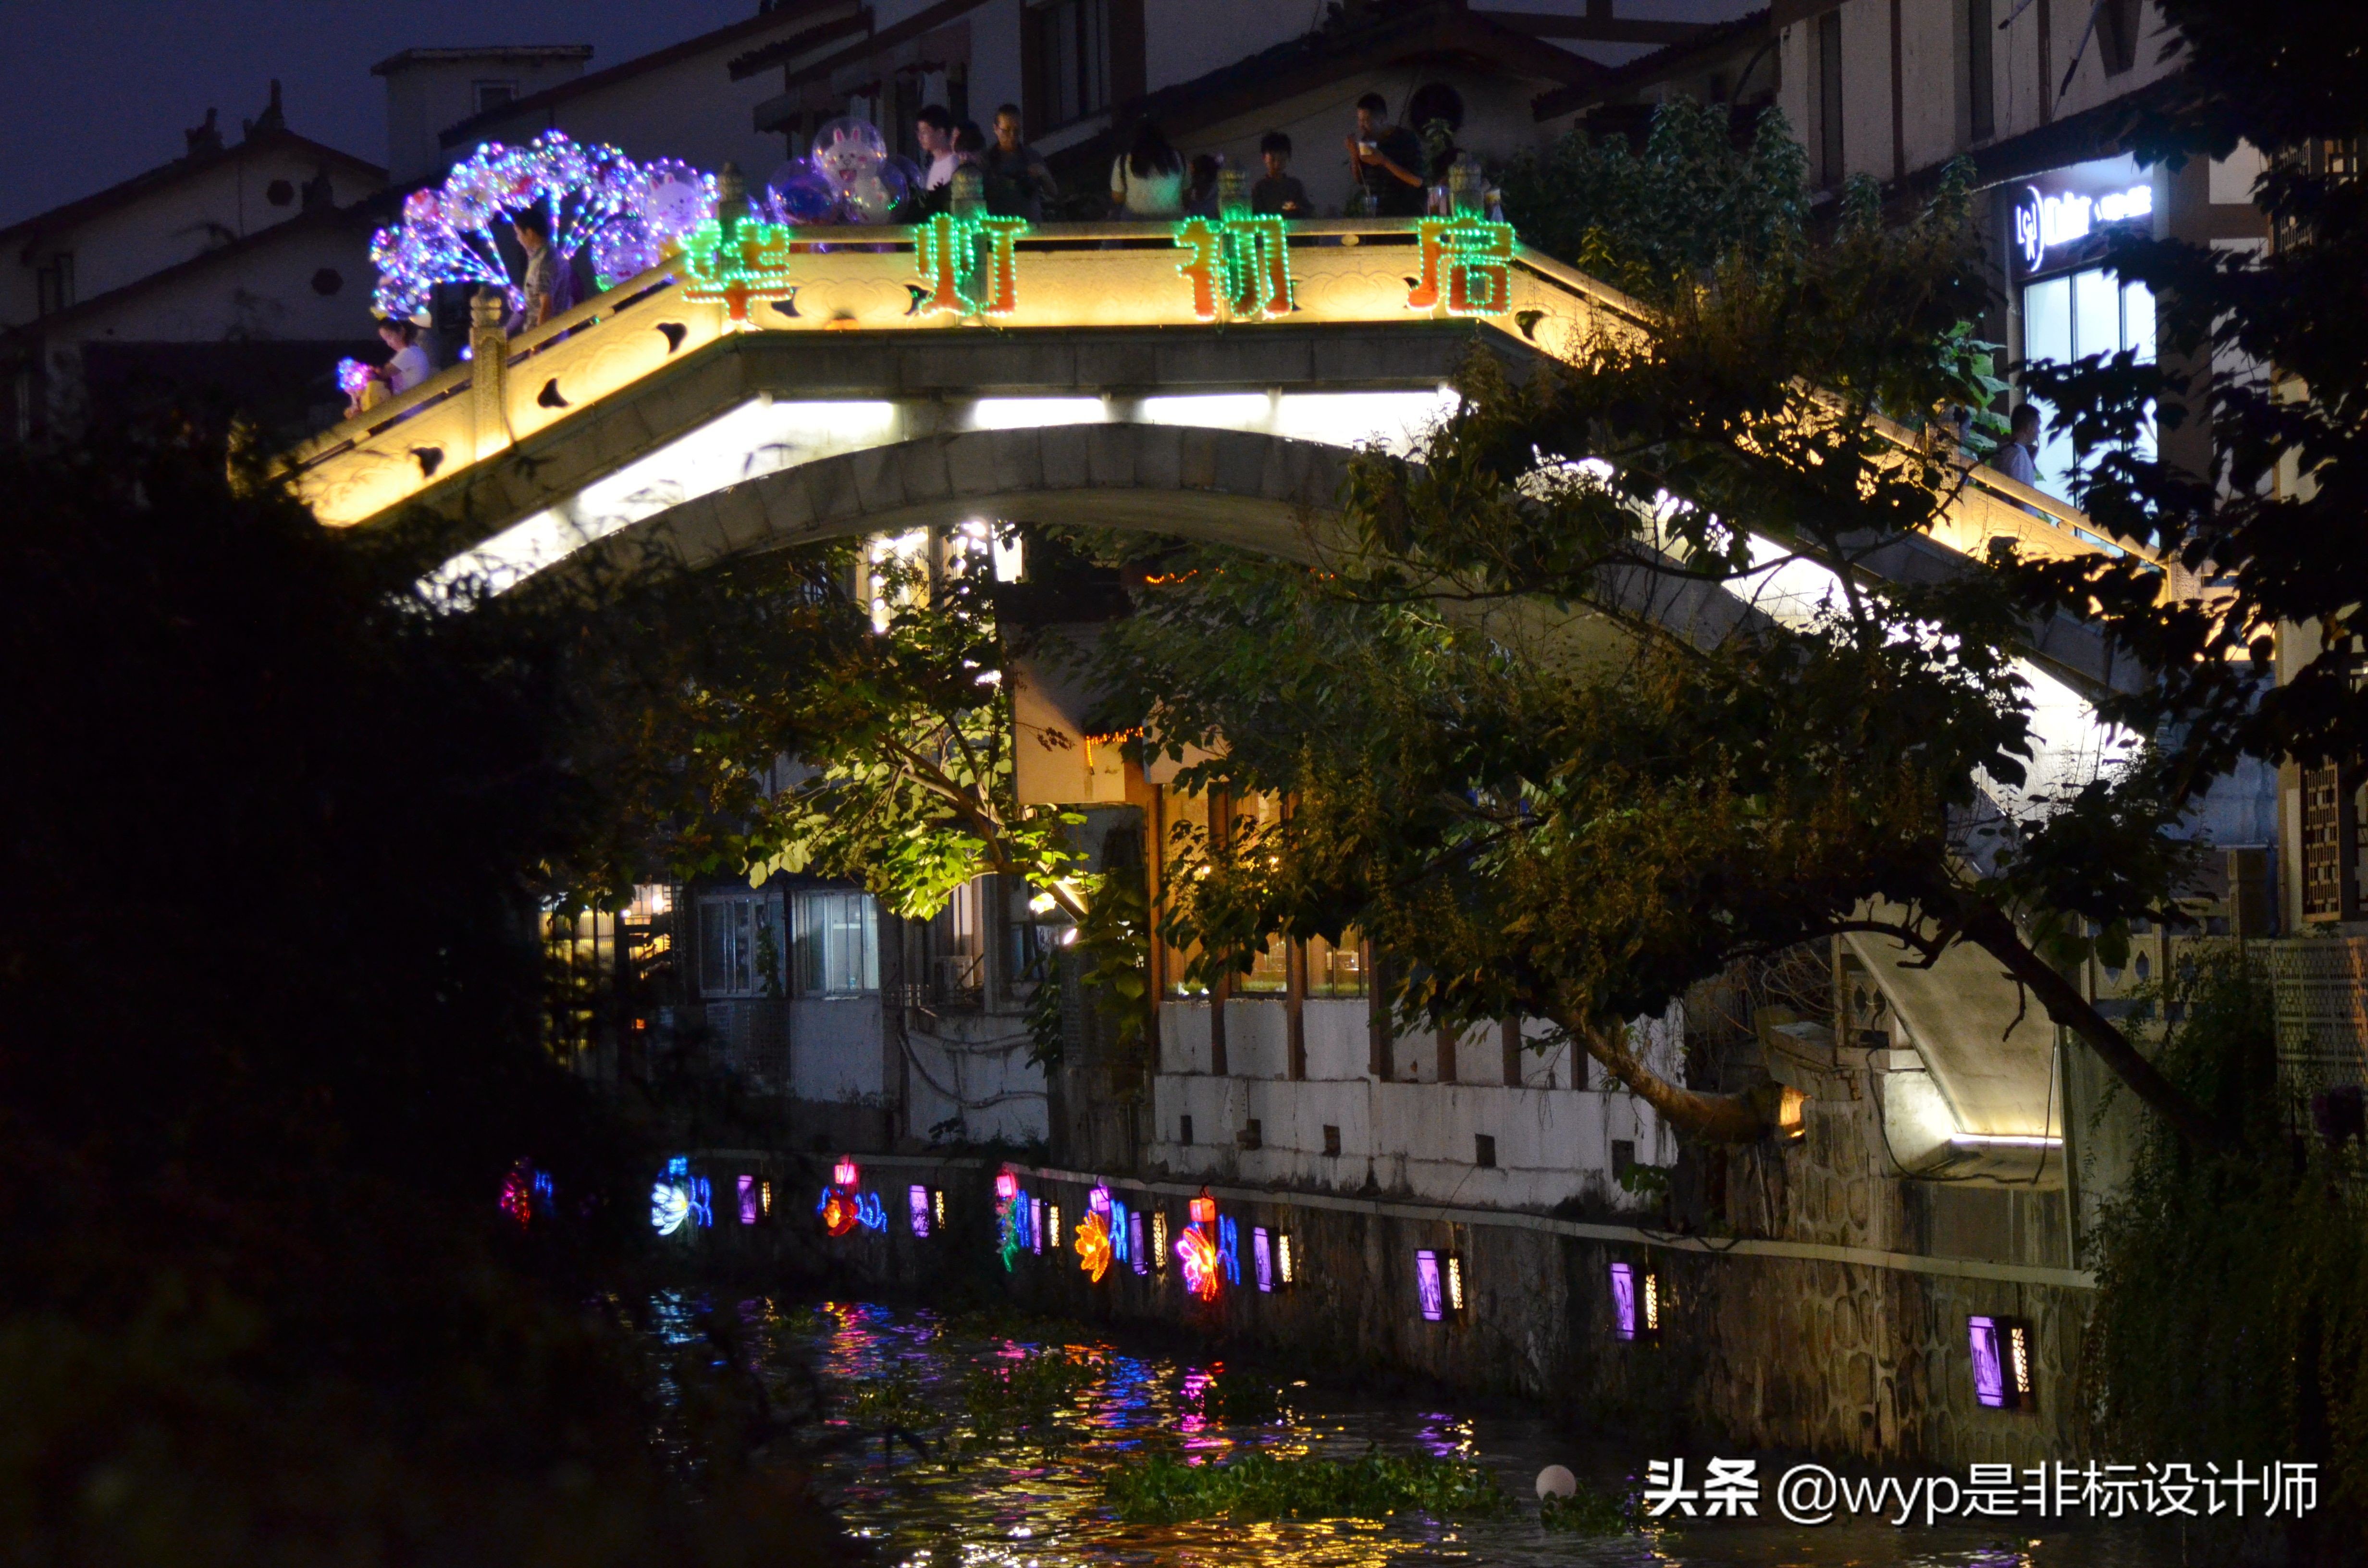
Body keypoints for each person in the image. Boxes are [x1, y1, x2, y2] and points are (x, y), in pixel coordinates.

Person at [1344, 92, 1425, 217]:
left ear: (1382, 120)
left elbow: (1417, 181)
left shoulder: (1407, 139)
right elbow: (1360, 180)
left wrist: (1384, 161)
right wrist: (1354, 156)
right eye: (1359, 120)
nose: (1362, 126)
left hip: (1404, 217)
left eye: (1366, 120)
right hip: (1376, 217)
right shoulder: (1367, 142)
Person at [983, 103, 1056, 221]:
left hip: (1031, 230)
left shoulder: (1032, 156)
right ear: (996, 129)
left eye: (1017, 131)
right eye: (1006, 131)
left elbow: (1054, 193)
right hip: (1000, 231)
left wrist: (1044, 174)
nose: (1012, 136)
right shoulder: (987, 160)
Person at [1110, 120, 1185, 218]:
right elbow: (1186, 193)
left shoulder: (1124, 161)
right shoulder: (1178, 158)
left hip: (1135, 222)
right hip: (1172, 222)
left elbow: (1117, 197)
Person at [1994, 403, 2049, 517]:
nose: (2039, 432)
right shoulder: (2019, 454)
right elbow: (2018, 494)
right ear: (2029, 428)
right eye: (2037, 426)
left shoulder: (2003, 449)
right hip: (2020, 522)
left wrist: (2030, 461)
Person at [511, 208, 557, 331]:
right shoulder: (540, 258)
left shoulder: (545, 261)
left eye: (518, 233)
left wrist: (536, 347)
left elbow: (546, 305)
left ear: (530, 233)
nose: (517, 239)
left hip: (545, 341)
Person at [1251, 131, 1310, 218]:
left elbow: (1308, 212)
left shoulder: (1296, 185)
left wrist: (1297, 208)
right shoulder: (1259, 188)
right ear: (1264, 158)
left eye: (1282, 160)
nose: (1277, 164)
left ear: (1288, 158)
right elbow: (1256, 215)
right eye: (1273, 159)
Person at [916, 104, 958, 193]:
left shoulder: (953, 164)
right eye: (919, 133)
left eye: (924, 132)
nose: (920, 137)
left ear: (940, 133)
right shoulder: (934, 164)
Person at [1183, 153, 1224, 218]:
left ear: (1203, 175)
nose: (1191, 177)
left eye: (1193, 174)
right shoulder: (1192, 193)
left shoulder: (1220, 194)